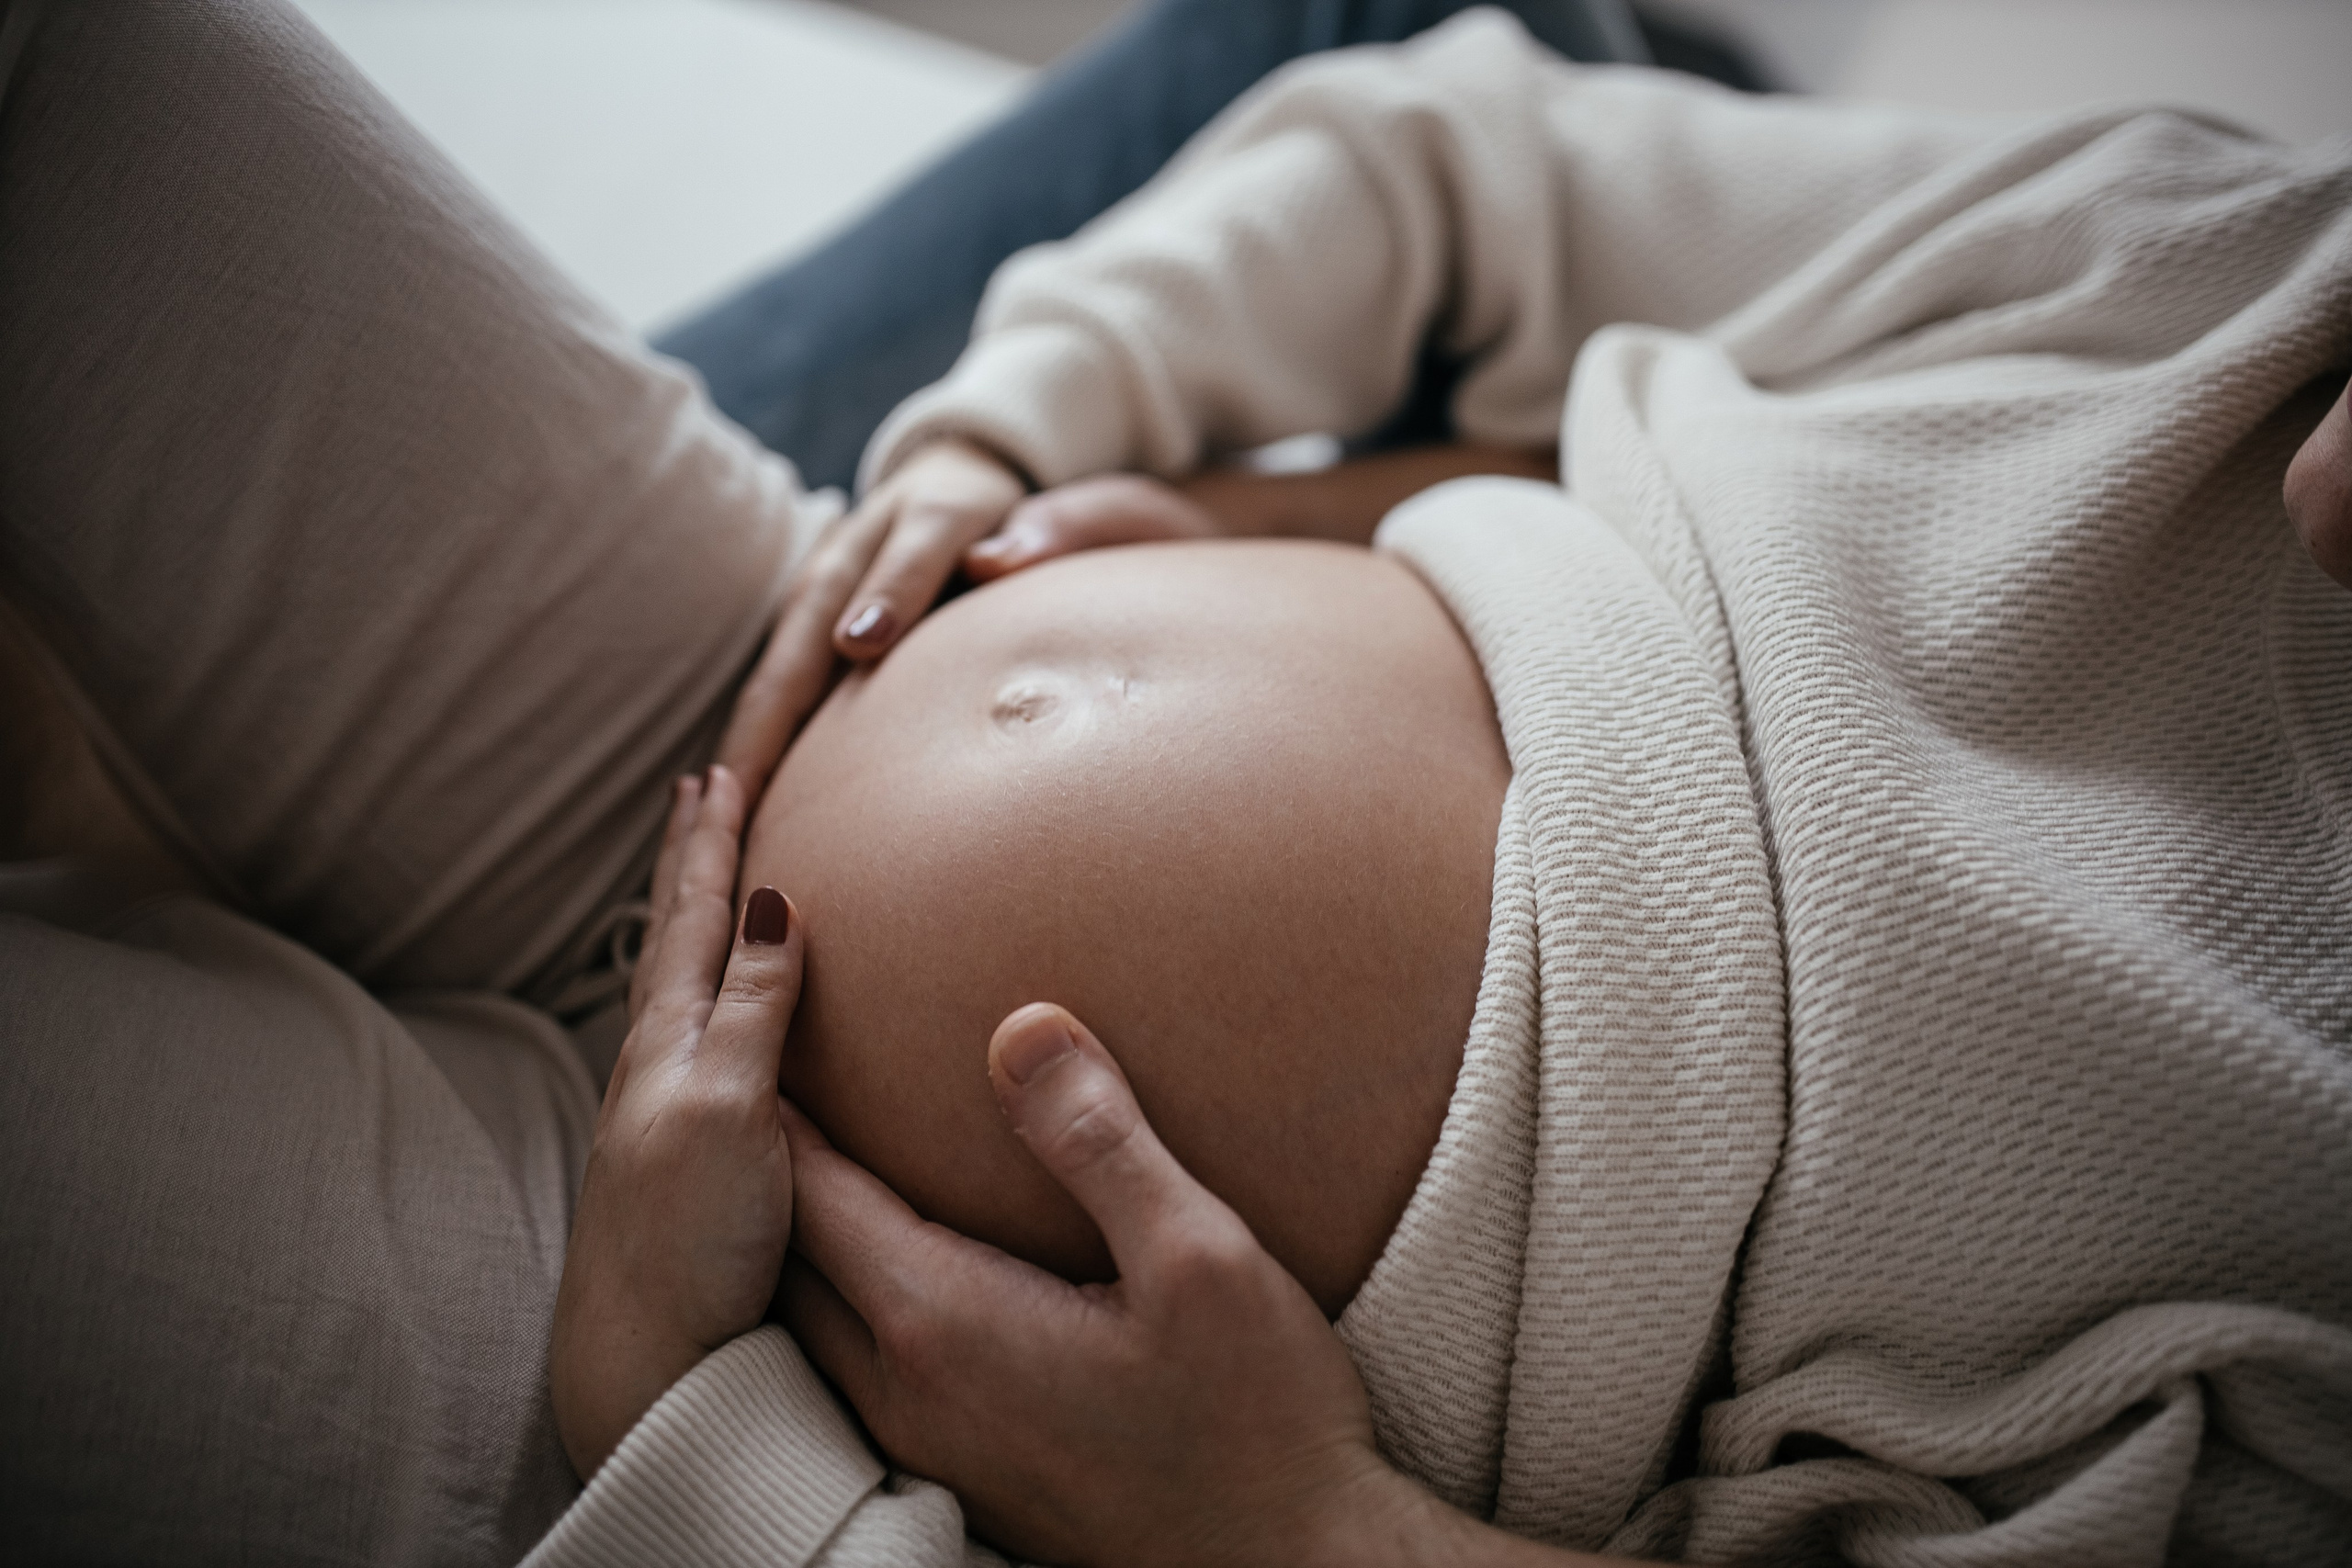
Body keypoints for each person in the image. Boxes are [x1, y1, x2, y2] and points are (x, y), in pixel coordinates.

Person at [0, 7, 2346, 1568]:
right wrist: (1053, 433)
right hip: (724, 657)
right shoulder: (2254, 276)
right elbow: (1464, 158)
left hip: (731, 1396)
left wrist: (697, 1439)